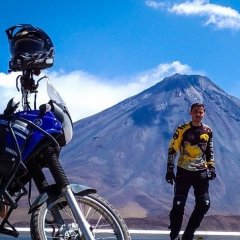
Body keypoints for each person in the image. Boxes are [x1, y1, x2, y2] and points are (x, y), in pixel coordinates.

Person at [165, 103, 216, 240]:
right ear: (190, 113)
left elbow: (209, 151)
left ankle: (188, 235)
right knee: (178, 204)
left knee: (204, 204)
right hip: (184, 172)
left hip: (201, 173)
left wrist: (211, 167)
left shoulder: (208, 131)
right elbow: (173, 148)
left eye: (200, 112)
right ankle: (174, 234)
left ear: (204, 113)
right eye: (195, 112)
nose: (198, 115)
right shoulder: (182, 129)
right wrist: (170, 168)